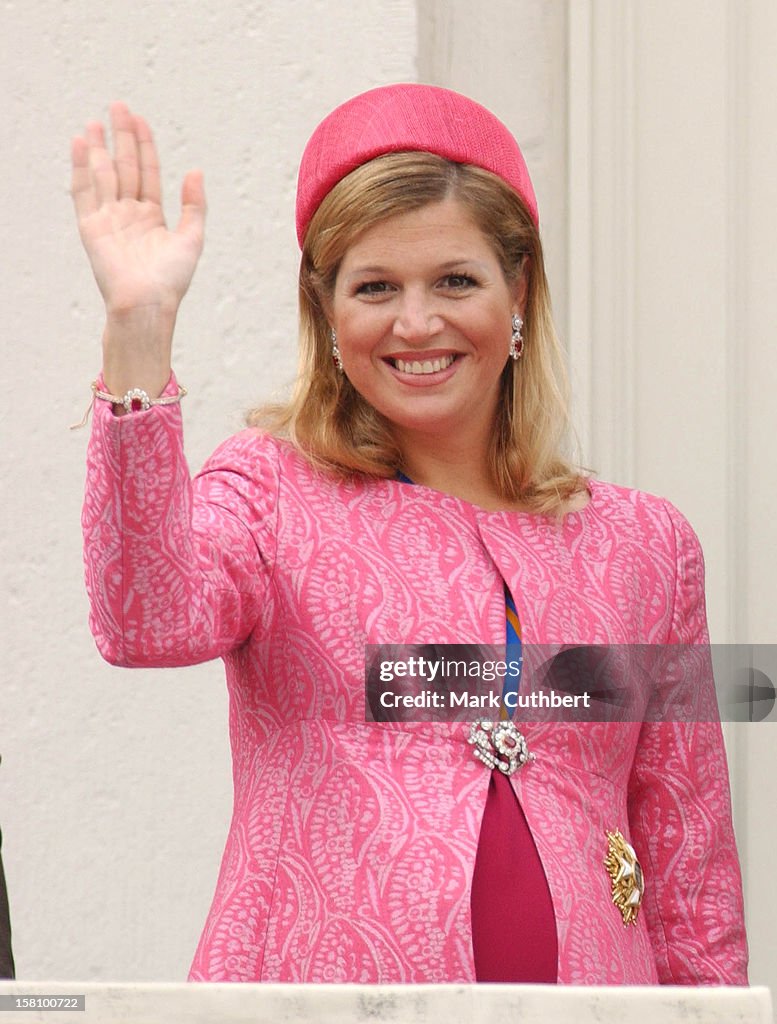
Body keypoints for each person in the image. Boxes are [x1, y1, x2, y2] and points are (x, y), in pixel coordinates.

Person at [71, 84, 748, 984]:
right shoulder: (271, 491)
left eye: (455, 281)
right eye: (375, 287)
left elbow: (686, 860)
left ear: (518, 295)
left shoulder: (645, 545)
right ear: (329, 315)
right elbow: (145, 623)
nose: (415, 323)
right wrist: (138, 334)